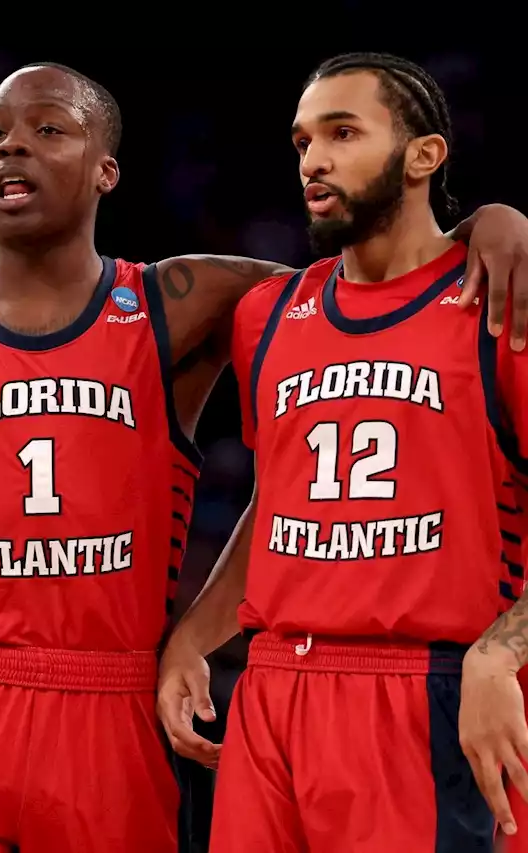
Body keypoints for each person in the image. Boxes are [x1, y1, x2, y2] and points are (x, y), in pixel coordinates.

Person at [0, 61, 528, 852]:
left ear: (107, 170)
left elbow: (382, 291)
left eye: (47, 130)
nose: (12, 150)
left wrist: (488, 222)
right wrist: (194, 637)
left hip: (153, 699)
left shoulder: (197, 303)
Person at [156, 52, 528, 852]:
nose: (313, 159)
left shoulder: (499, 298)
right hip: (272, 691)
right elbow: (279, 502)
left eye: (343, 132)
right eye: (301, 142)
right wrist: (193, 637)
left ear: (424, 155)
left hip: (430, 688)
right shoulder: (269, 313)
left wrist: (501, 654)